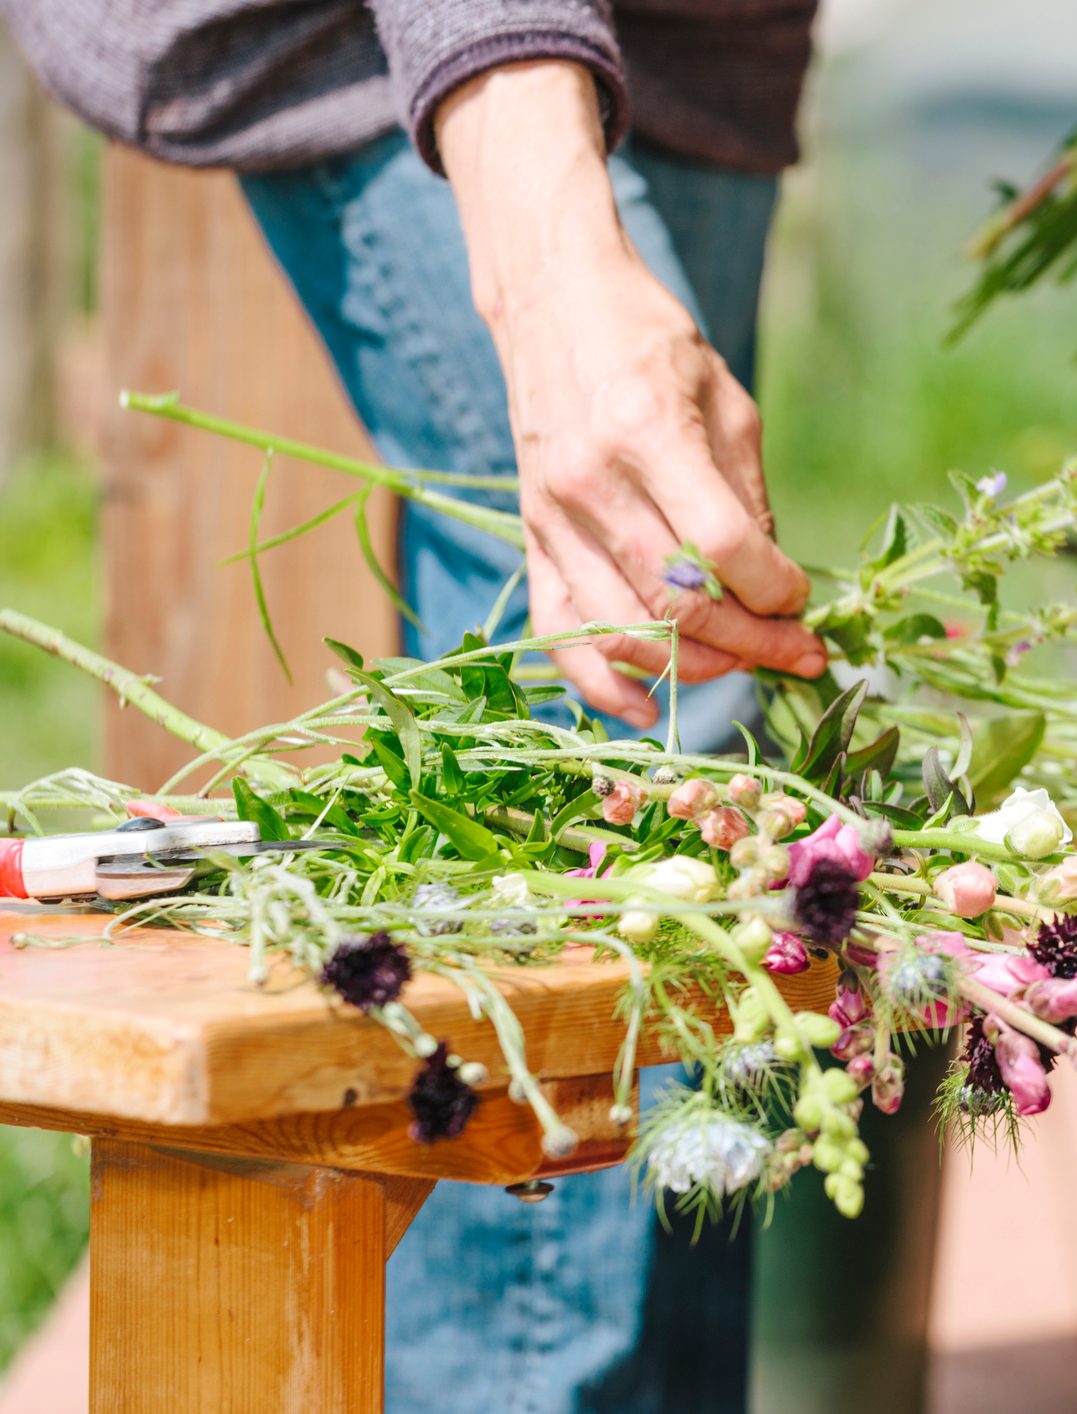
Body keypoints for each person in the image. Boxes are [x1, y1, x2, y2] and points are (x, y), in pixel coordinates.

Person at [0, 3, 822, 1409]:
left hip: (694, 44)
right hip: (408, 34)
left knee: (702, 779)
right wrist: (548, 254)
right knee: (634, 716)